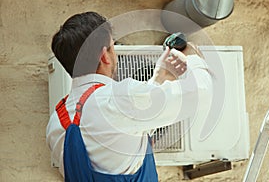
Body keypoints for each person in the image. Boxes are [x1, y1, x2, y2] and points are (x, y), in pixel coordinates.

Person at [46, 11, 212, 182]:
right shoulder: (118, 98)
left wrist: (160, 78)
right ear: (104, 55)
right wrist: (193, 57)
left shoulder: (55, 123)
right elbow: (202, 93)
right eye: (113, 46)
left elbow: (124, 132)